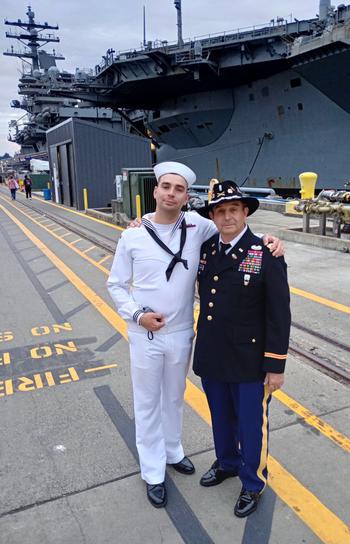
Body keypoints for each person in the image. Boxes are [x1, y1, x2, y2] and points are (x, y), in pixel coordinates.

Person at [107, 162, 284, 509]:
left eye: (179, 189)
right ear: (155, 191)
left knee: (174, 398)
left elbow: (238, 230)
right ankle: (153, 471)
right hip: (146, 334)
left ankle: (174, 452)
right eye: (166, 187)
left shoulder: (199, 228)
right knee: (147, 404)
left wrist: (272, 241)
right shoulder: (133, 234)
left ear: (187, 197)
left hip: (185, 334)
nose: (172, 194)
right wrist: (137, 314)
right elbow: (115, 284)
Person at [193, 180, 291, 518]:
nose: (227, 216)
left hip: (250, 361)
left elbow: (279, 314)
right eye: (220, 211)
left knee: (251, 424)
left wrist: (275, 365)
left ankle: (252, 482)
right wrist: (138, 223)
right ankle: (228, 463)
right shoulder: (206, 250)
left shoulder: (265, 251)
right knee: (220, 418)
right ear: (213, 216)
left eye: (233, 209)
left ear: (245, 211)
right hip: (213, 353)